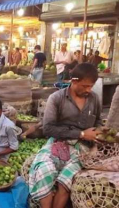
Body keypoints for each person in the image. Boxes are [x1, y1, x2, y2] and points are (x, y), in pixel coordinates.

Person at [29, 63, 102, 208]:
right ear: (74, 81)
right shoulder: (56, 98)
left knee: (66, 181)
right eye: (85, 86)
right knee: (45, 171)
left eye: (91, 86)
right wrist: (81, 134)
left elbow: (98, 121)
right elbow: (48, 129)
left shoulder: (94, 99)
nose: (89, 89)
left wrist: (99, 132)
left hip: (83, 149)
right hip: (58, 142)